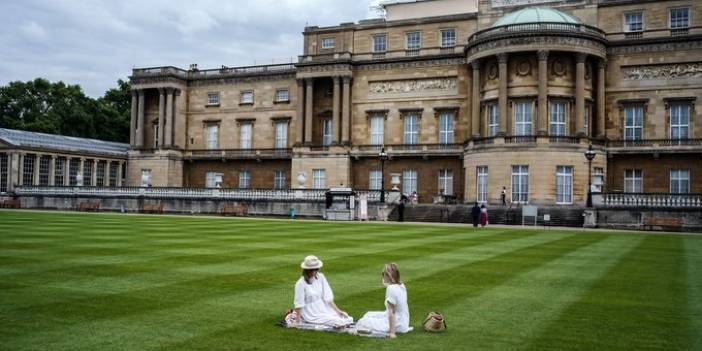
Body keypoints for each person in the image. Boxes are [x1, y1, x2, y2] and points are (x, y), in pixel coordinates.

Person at [293, 255, 353, 327]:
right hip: (311, 312)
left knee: (346, 318)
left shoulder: (321, 277)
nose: (314, 272)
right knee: (338, 321)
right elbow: (299, 304)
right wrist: (298, 321)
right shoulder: (300, 283)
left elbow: (328, 297)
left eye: (316, 269)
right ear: (306, 270)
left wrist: (338, 311)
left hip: (323, 307)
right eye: (311, 270)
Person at [356, 263, 412, 338]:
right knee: (368, 314)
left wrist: (392, 333)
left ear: (389, 276)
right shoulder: (401, 285)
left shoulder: (391, 289)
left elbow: (391, 312)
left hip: (397, 323)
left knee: (363, 321)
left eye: (383, 274)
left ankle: (390, 330)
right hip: (404, 321)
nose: (382, 276)